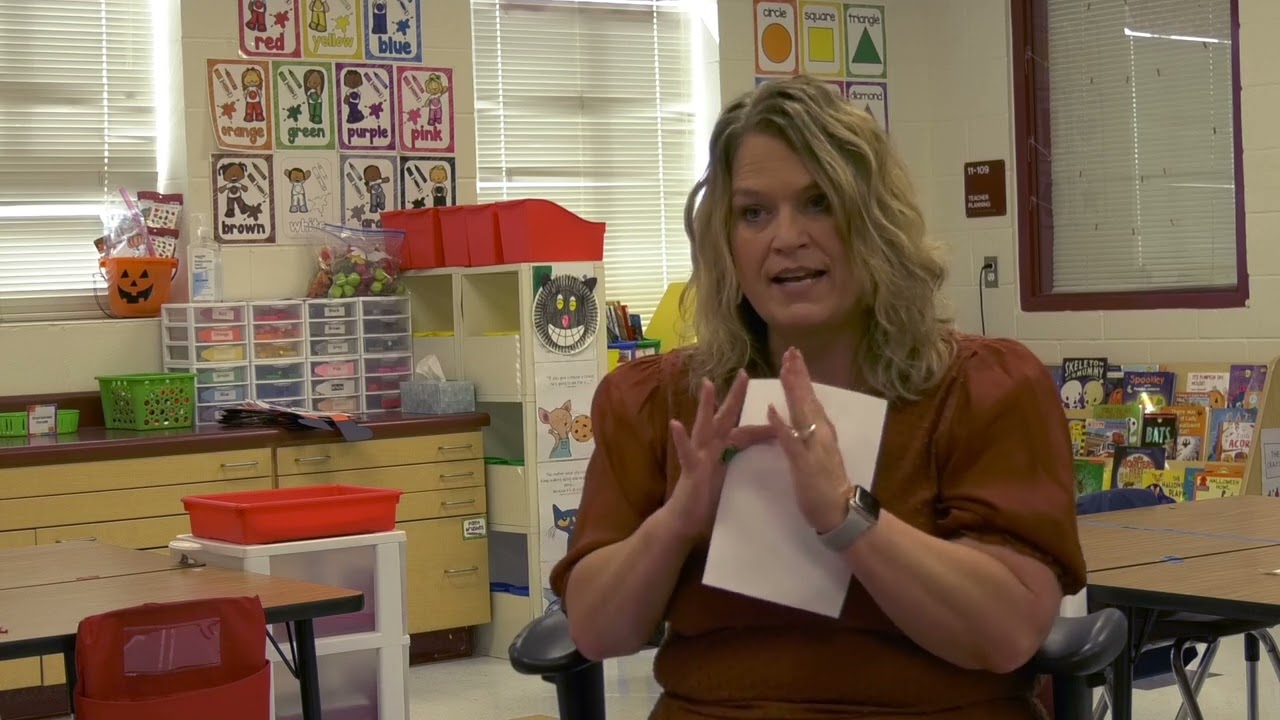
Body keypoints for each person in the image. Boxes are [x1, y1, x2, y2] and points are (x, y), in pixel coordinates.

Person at [549, 75, 1086, 720]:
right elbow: (597, 631)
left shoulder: (982, 390)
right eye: (753, 213)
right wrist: (678, 520)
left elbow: (1006, 633)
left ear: (875, 225)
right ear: (725, 241)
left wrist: (845, 516)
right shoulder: (660, 402)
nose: (786, 237)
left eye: (819, 202)